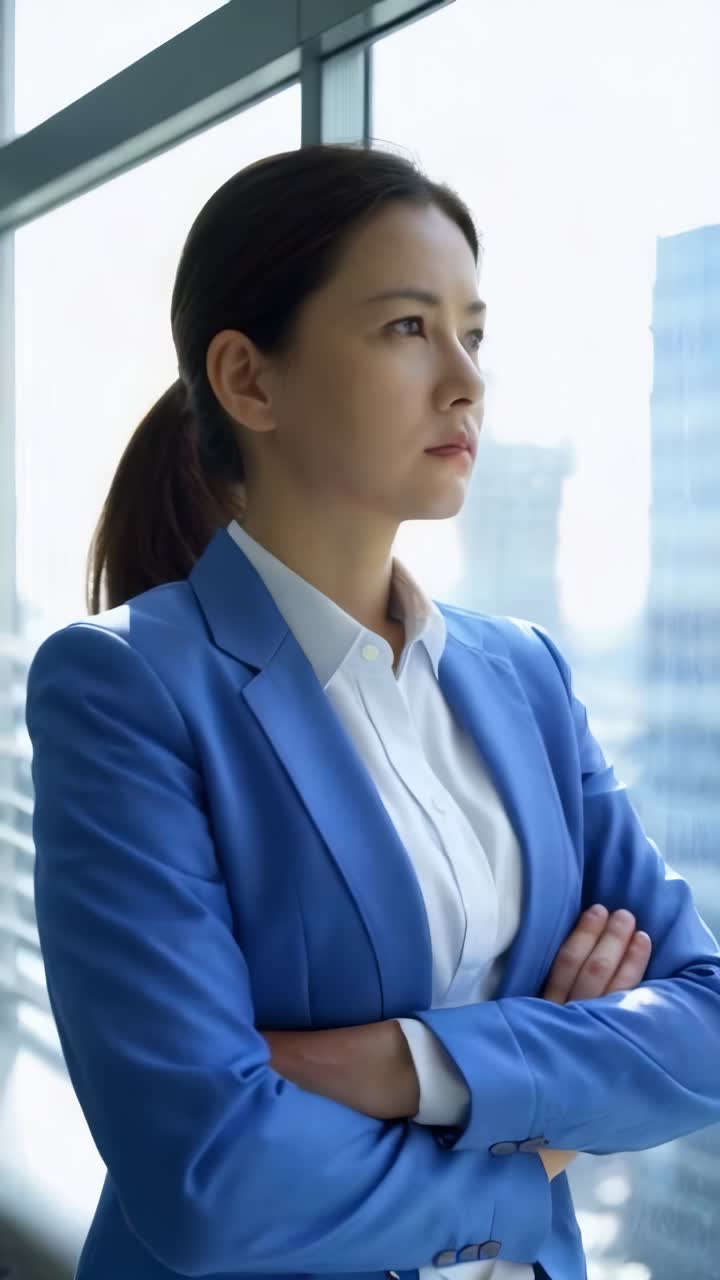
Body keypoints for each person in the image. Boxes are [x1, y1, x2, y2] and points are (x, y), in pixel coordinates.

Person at [25, 142, 720, 1280]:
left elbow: (704, 1019)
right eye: (408, 327)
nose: (466, 379)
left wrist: (409, 1061)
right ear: (250, 380)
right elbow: (211, 1177)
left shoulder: (525, 676)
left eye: (473, 332)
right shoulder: (123, 687)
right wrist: (538, 1137)